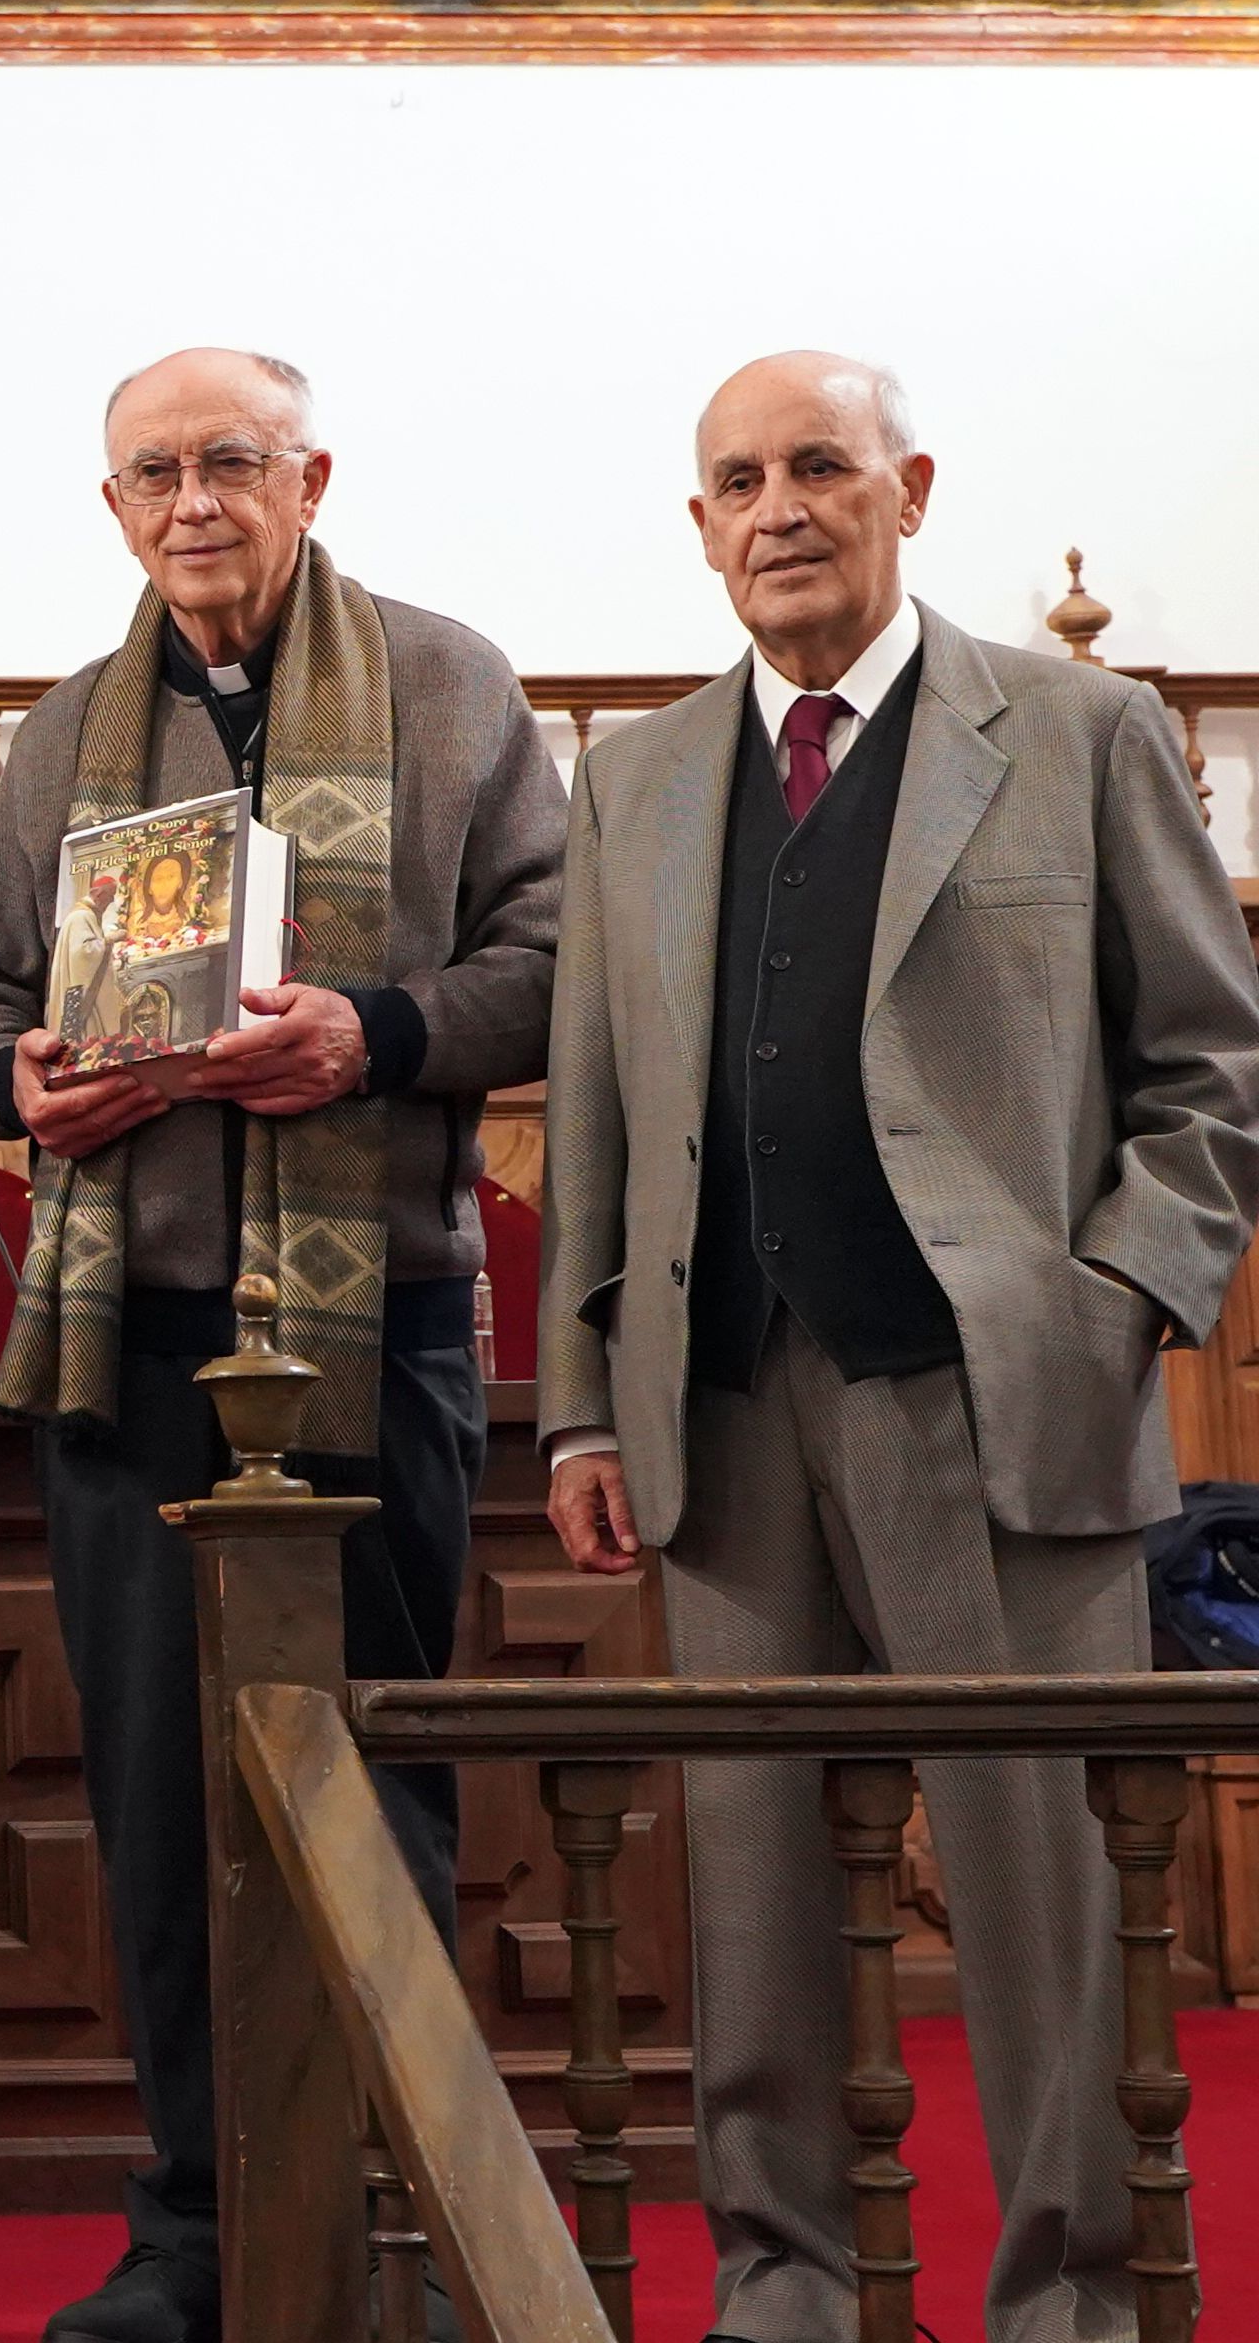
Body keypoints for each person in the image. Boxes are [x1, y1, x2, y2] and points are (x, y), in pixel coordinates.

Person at [538, 353, 1259, 2343]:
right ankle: (781, 2287)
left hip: (1000, 1401)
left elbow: (1213, 1069)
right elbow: (591, 1118)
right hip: (716, 1411)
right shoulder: (636, 779)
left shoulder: (1079, 731)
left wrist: (1115, 1308)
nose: (778, 509)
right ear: (701, 524)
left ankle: (1072, 2303)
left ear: (910, 489)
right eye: (738, 480)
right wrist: (582, 1405)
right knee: (751, 1901)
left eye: (820, 468)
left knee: (1043, 1898)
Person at [0, 348, 563, 2343]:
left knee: (374, 1778)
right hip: (133, 1333)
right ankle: (199, 2224)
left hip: (376, 1323)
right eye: (154, 473)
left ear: (312, 478)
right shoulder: (64, 732)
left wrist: (373, 1034)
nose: (192, 501)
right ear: (114, 507)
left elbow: (557, 966)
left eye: (231, 461)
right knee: (158, 1788)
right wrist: (16, 1078)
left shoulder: (452, 686)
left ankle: (392, 2221)